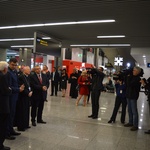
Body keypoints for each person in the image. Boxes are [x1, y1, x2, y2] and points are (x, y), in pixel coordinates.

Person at [6, 58, 24, 140]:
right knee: (9, 115)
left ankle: (11, 129)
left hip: (15, 96)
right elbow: (9, 86)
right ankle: (7, 132)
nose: (14, 66)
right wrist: (18, 89)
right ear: (9, 63)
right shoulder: (8, 73)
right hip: (10, 96)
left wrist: (20, 87)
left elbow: (16, 82)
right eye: (12, 64)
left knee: (13, 114)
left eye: (15, 65)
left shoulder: (15, 72)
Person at [124, 66, 142, 131]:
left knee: (134, 111)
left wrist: (128, 77)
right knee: (129, 110)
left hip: (133, 96)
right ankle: (130, 122)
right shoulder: (132, 77)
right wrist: (127, 76)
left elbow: (130, 84)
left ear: (137, 72)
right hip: (128, 95)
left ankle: (135, 125)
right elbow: (126, 83)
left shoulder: (138, 78)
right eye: (133, 70)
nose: (133, 71)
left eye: (134, 70)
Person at [16, 66, 32, 131]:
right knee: (22, 111)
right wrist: (27, 93)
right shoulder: (21, 77)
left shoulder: (28, 77)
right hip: (22, 96)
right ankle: (21, 126)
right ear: (24, 71)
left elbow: (29, 86)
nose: (29, 71)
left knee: (27, 110)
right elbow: (21, 87)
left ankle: (26, 124)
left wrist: (30, 91)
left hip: (27, 96)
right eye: (28, 70)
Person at [0, 61, 12, 150]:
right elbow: (6, 90)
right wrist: (10, 89)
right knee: (2, 125)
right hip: (3, 105)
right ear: (5, 69)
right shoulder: (2, 77)